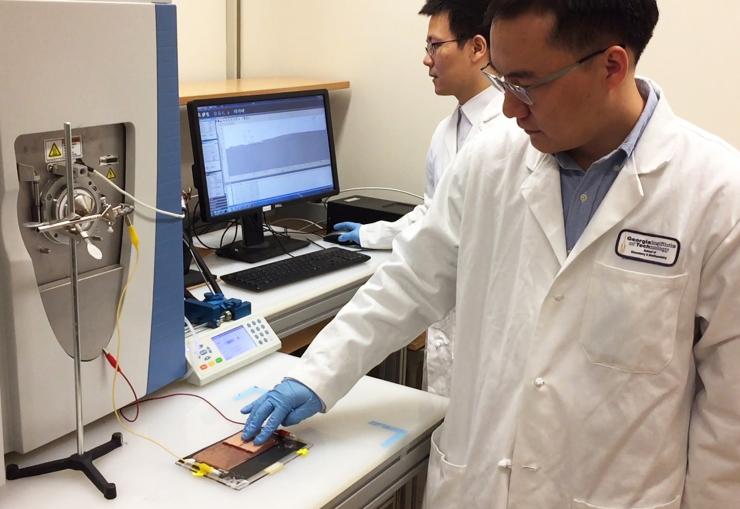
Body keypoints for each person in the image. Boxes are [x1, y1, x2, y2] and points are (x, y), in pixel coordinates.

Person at [241, 1, 740, 507]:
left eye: (526, 84)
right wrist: (316, 375)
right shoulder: (492, 156)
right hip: (478, 486)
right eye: (502, 81)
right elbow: (410, 281)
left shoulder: (716, 194)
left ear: (612, 66)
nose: (508, 109)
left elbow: (730, 419)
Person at [333, 0, 503, 396]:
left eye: (434, 46)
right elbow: (435, 216)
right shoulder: (447, 131)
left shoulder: (512, 132)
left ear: (477, 49)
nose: (426, 60)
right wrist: (371, 234)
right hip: (447, 323)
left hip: (486, 330)